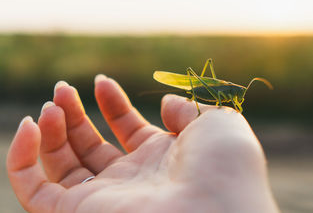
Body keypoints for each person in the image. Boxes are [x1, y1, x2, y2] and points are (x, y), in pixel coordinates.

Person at [7, 75, 279, 213]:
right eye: (239, 93)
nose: (239, 96)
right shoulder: (225, 92)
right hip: (201, 89)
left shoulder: (232, 99)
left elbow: (233, 102)